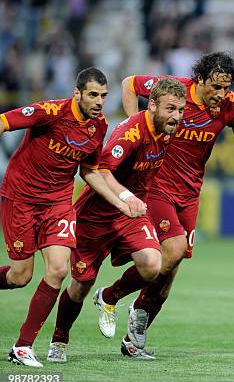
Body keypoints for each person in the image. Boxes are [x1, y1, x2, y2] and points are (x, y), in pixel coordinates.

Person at [118, 52, 234, 357]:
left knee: (169, 276)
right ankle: (115, 296)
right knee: (172, 251)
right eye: (215, 87)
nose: (221, 94)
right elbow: (129, 84)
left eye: (226, 87)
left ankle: (135, 334)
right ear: (199, 80)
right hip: (157, 185)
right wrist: (135, 125)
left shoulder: (230, 105)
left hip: (190, 195)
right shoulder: (173, 91)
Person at [0, 68, 146, 367]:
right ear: (77, 92)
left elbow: (90, 171)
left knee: (57, 270)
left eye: (104, 96)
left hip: (58, 204)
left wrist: (120, 201)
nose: (99, 102)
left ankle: (22, 347)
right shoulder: (50, 111)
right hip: (22, 199)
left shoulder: (99, 126)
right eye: (93, 94)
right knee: (20, 277)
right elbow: (4, 121)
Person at [47, 78, 186, 363]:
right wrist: (125, 197)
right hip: (97, 215)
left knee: (152, 264)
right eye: (171, 109)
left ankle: (109, 296)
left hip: (131, 214)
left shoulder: (168, 130)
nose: (177, 116)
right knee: (80, 284)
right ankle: (59, 339)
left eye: (181, 110)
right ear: (153, 105)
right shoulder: (131, 132)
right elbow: (103, 171)